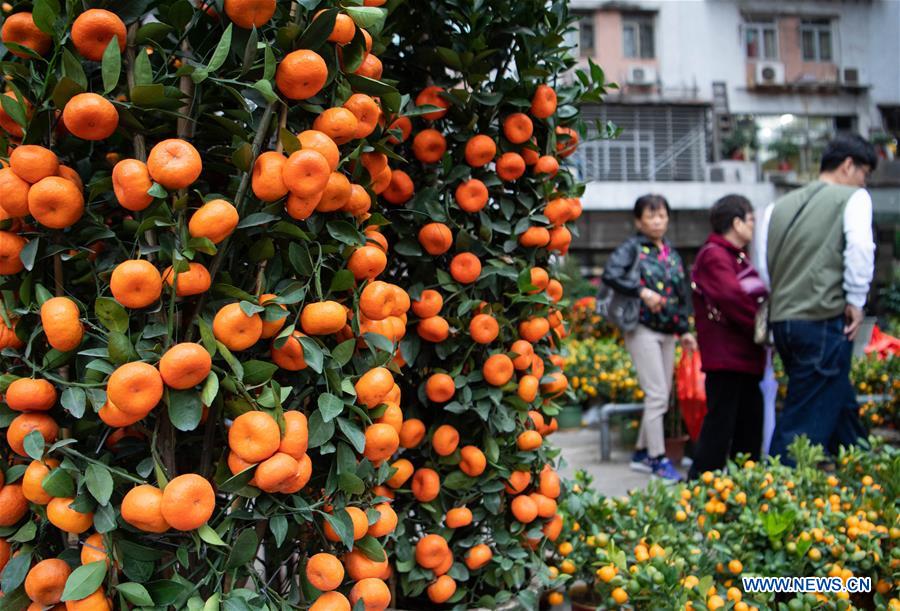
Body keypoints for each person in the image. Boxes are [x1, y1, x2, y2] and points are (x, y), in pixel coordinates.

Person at [758, 134, 877, 463]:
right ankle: (775, 493)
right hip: (822, 318)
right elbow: (860, 249)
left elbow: (764, 267)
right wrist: (856, 300)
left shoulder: (776, 207)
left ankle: (865, 471)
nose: (864, 181)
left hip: (783, 321)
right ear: (848, 165)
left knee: (835, 398)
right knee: (803, 419)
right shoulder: (853, 198)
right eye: (864, 173)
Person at [602, 194, 697, 481]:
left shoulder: (671, 253)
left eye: (662, 215)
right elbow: (610, 274)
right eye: (650, 216)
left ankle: (643, 452)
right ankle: (657, 459)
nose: (657, 221)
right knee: (657, 395)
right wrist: (641, 292)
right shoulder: (632, 249)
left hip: (668, 331)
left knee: (661, 395)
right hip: (641, 328)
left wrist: (684, 331)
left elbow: (681, 296)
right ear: (638, 221)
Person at [688, 195, 767, 479]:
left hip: (742, 358)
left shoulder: (734, 255)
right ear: (736, 222)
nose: (753, 226)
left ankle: (742, 489)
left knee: (747, 427)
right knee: (721, 428)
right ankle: (699, 487)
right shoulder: (714, 254)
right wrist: (763, 328)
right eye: (750, 220)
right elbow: (732, 298)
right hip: (728, 358)